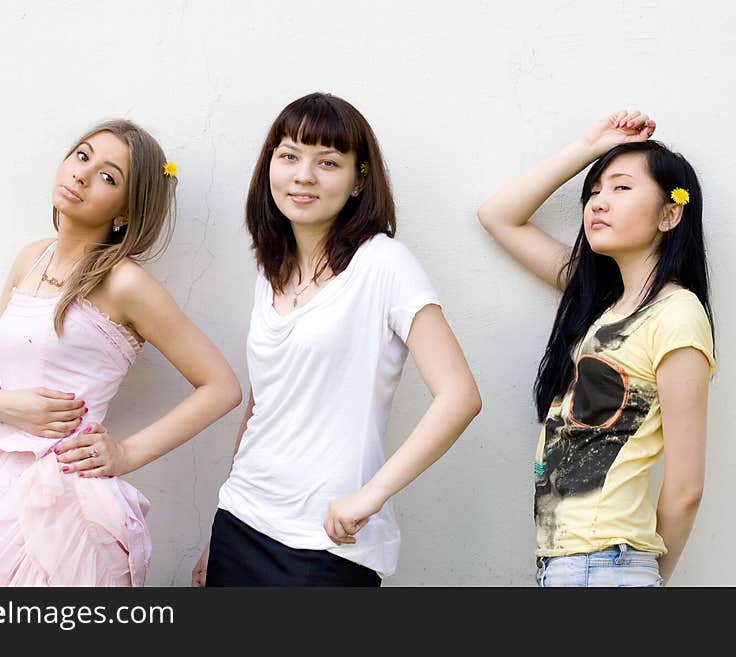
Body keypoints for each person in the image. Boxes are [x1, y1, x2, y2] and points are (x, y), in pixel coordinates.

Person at [191, 92, 482, 586]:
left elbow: (460, 396)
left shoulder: (382, 263)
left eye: (327, 162)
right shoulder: (270, 271)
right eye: (288, 157)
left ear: (357, 180)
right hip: (241, 521)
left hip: (325, 544)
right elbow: (265, 402)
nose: (303, 176)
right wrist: (216, 535)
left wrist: (371, 495)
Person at [0, 119, 242, 586]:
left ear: (125, 211)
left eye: (108, 176)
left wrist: (125, 453)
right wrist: (10, 405)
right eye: (82, 156)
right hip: (1, 494)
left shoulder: (125, 283)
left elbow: (222, 387)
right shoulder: (30, 259)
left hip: (68, 506)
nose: (82, 174)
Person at [477, 111, 715, 586]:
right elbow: (498, 215)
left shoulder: (677, 314)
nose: (599, 203)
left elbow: (686, 487)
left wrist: (644, 577)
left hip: (607, 565)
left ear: (670, 214)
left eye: (622, 188)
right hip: (571, 565)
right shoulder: (600, 304)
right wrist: (589, 146)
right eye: (594, 191)